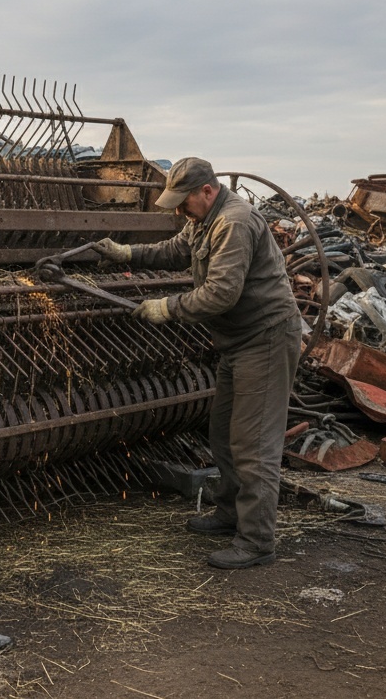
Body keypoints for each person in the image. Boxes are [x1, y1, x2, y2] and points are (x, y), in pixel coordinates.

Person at [94, 157, 301, 569]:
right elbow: (176, 250)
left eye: (183, 202)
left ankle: (257, 541)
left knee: (254, 445)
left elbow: (221, 293)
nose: (179, 212)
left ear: (207, 190)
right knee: (222, 434)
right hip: (237, 341)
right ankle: (230, 514)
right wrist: (127, 252)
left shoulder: (234, 222)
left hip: (265, 340)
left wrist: (166, 307)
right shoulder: (204, 218)